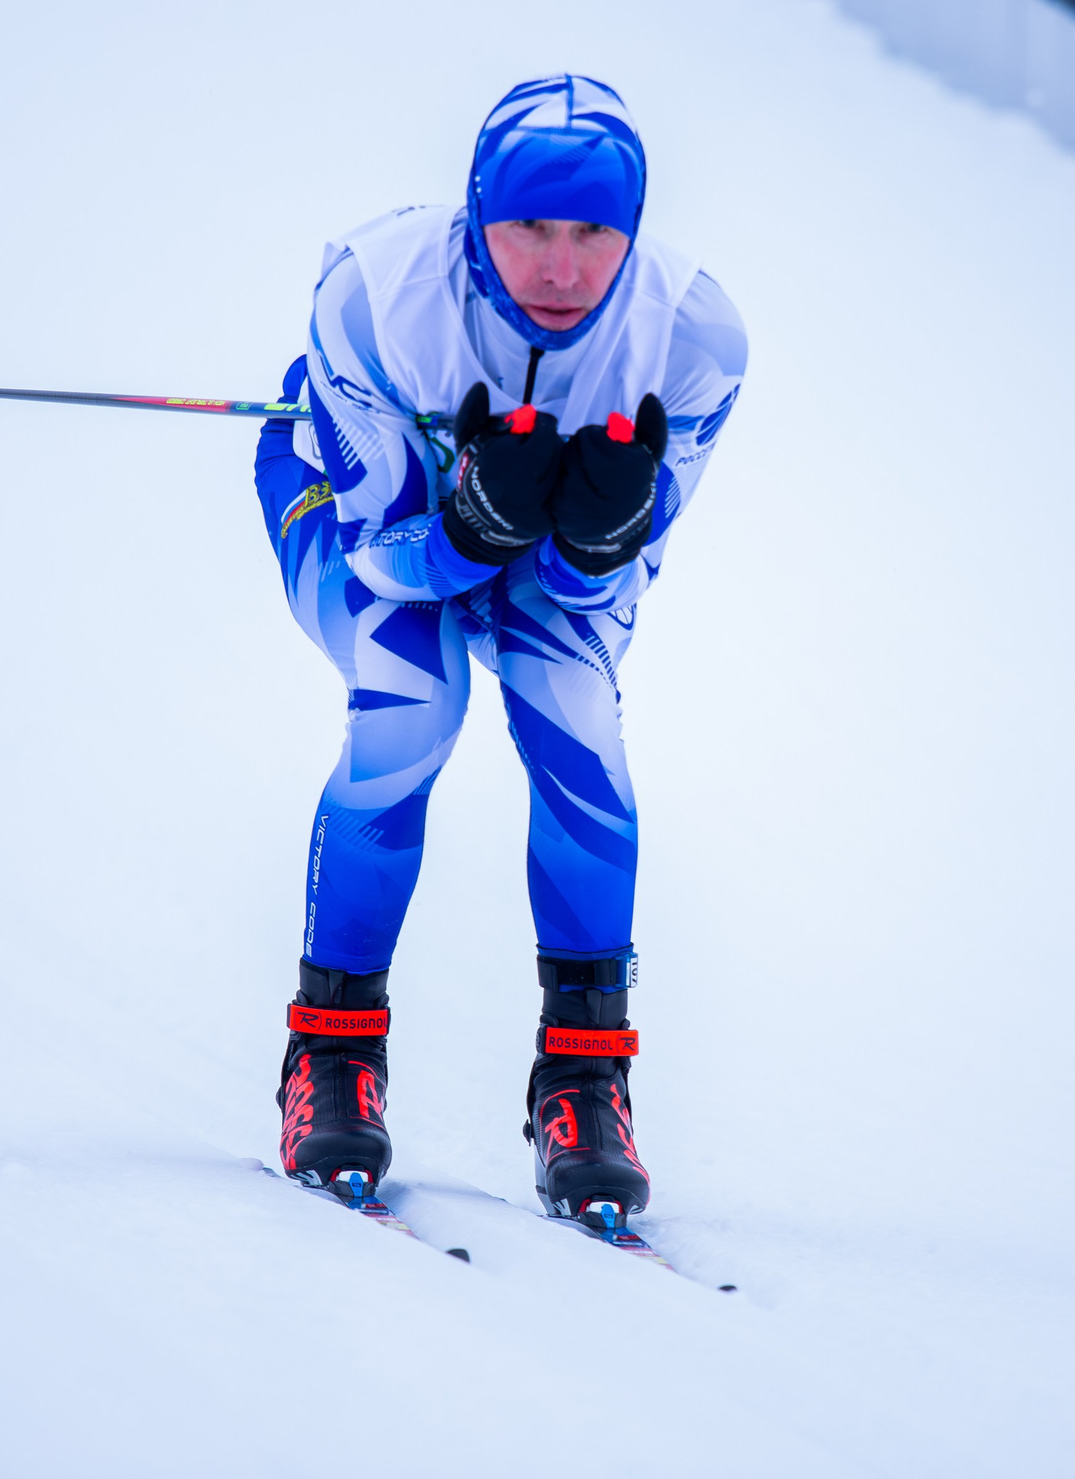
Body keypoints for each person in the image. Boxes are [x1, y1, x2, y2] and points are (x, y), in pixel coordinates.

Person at [251, 74, 745, 1227]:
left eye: (594, 234)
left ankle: (584, 1078)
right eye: (527, 228)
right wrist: (471, 526)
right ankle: (329, 1056)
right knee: (407, 717)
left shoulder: (692, 337)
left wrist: (595, 534)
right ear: (476, 218)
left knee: (580, 746)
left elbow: (601, 591)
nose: (562, 269)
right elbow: (381, 562)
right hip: (366, 513)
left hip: (519, 533)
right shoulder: (374, 303)